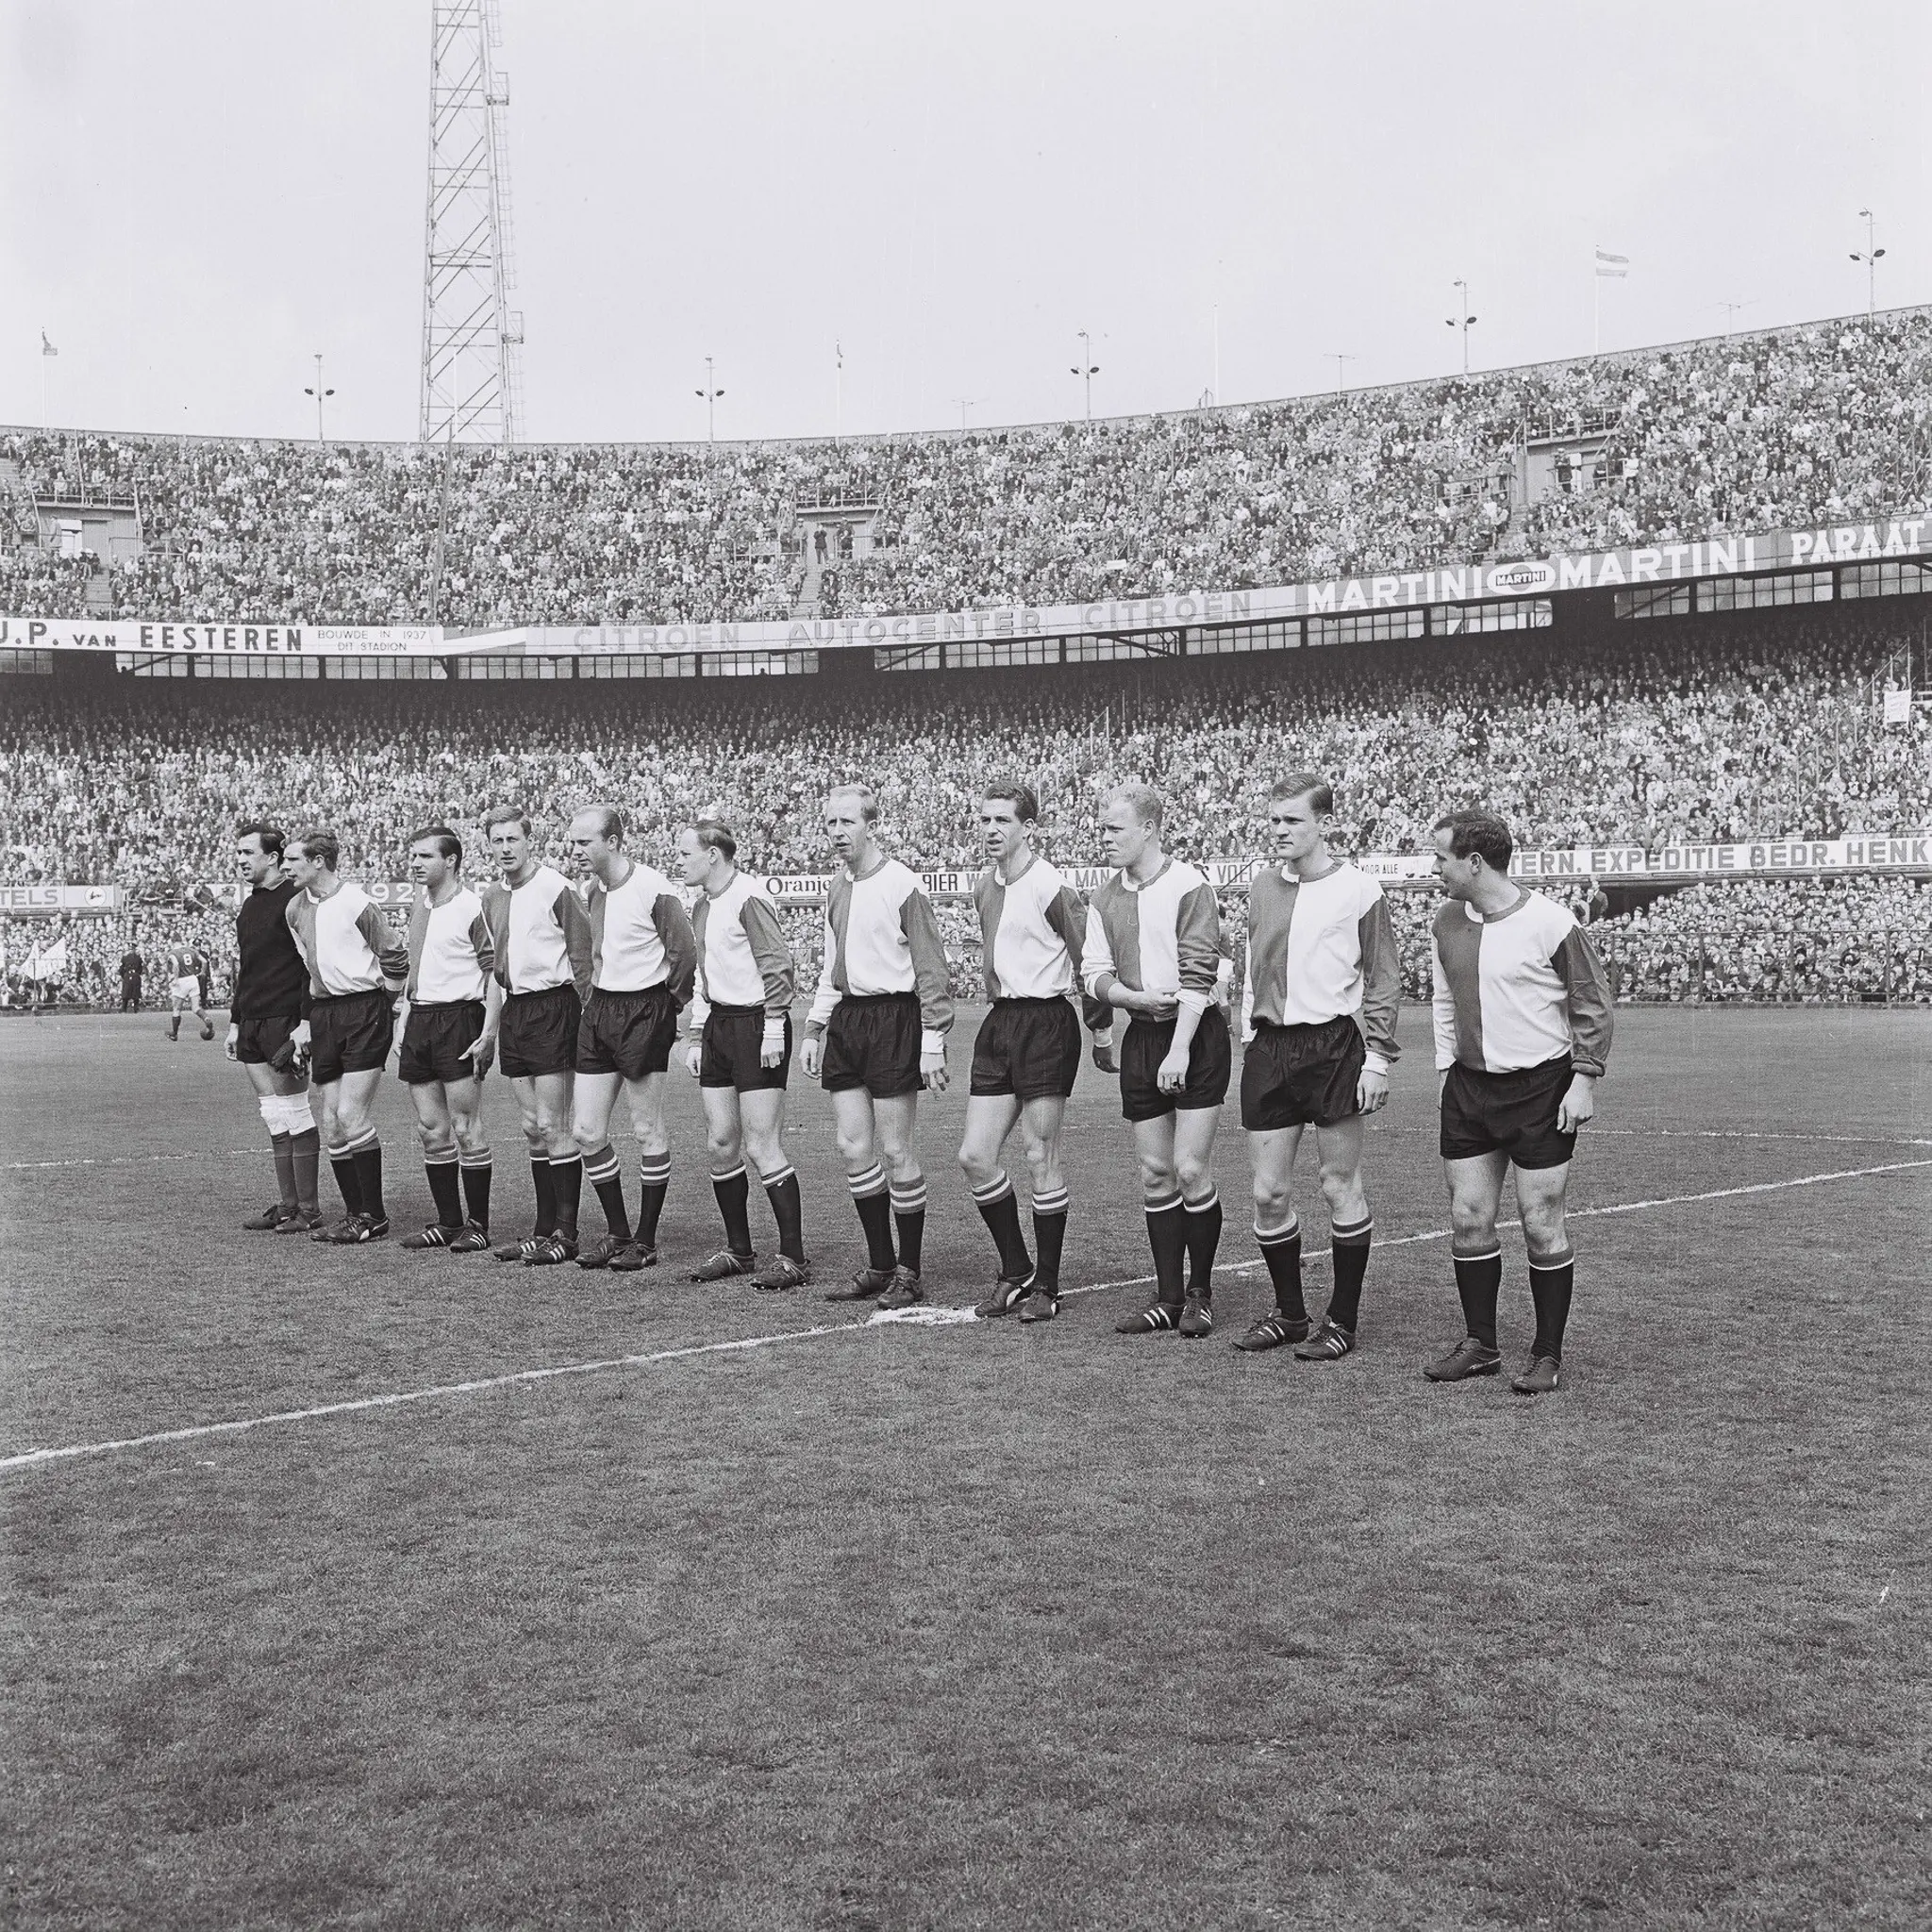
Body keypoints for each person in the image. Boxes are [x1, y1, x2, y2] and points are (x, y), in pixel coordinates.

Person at [1424, 808, 1614, 1395]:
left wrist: (1583, 1080)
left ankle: (1546, 1353)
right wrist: (1443, 1071)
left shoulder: (1550, 923)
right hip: (1469, 1087)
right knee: (1468, 1217)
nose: (1435, 869)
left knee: (1541, 1221)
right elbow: (1443, 1000)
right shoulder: (1446, 921)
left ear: (1474, 862)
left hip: (1539, 1090)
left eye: (1441, 858)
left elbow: (1592, 1003)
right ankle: (1481, 1343)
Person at [1233, 774, 1401, 1360]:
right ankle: (1290, 1314)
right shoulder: (1260, 886)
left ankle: (1343, 1320)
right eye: (1274, 820)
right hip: (1270, 1048)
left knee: (1337, 1184)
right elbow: (1254, 961)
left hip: (1334, 1048)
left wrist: (1377, 1057)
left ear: (1323, 824)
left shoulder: (1359, 889)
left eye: (1293, 821)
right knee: (1268, 1192)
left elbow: (1382, 978)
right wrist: (1246, 1026)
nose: (1280, 830)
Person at [799, 782, 953, 1310]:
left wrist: (933, 1038)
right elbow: (830, 965)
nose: (838, 833)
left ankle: (909, 1272)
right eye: (830, 824)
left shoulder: (903, 886)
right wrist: (815, 1027)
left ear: (871, 824)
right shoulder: (836, 889)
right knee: (853, 1148)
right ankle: (880, 1263)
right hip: (848, 1019)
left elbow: (932, 967)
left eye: (848, 823)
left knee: (895, 1150)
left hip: (895, 1020)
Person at [1083, 785, 1228, 1339]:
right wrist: (1132, 1001)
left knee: (1191, 1169)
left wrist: (1180, 1047)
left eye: (1115, 828)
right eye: (1103, 828)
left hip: (1194, 1035)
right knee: (1154, 1173)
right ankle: (1167, 1296)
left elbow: (1199, 971)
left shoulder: (1189, 883)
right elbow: (1093, 973)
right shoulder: (1102, 897)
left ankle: (1200, 1293)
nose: (1105, 837)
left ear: (1149, 827)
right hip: (1142, 1035)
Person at [958, 780, 1091, 1324]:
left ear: (1026, 828)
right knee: (974, 1155)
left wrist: (1101, 1030)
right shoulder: (983, 886)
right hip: (1000, 1022)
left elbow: (1088, 956)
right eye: (985, 820)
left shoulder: (1051, 884)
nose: (991, 830)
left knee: (1040, 1155)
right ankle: (1016, 1268)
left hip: (1047, 1022)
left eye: (1002, 821)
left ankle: (1049, 1286)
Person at [676, 818, 810, 1291]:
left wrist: (774, 1026)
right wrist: (696, 1034)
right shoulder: (701, 906)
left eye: (686, 853)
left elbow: (777, 964)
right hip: (718, 1025)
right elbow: (702, 974)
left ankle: (792, 1257)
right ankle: (739, 1251)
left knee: (761, 1144)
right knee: (720, 1142)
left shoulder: (748, 895)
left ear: (713, 854)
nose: (681, 861)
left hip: (757, 1024)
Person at [566, 804, 696, 1272]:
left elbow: (684, 953)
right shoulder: (591, 889)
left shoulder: (653, 888)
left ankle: (644, 1239)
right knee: (585, 1130)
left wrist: (669, 1007)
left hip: (645, 1009)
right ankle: (617, 1232)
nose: (575, 849)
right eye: (573, 841)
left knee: (646, 1128)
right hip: (600, 1010)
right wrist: (589, 998)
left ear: (614, 842)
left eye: (584, 842)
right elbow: (586, 954)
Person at [477, 806, 593, 1265]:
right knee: (532, 1128)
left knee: (555, 1125)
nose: (505, 848)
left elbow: (583, 957)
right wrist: (489, 1031)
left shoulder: (557, 887)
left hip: (555, 1007)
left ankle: (565, 1233)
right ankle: (543, 1230)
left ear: (529, 841)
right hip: (516, 1011)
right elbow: (495, 970)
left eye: (513, 839)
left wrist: (588, 1018)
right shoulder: (490, 897)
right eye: (497, 841)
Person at [284, 827, 409, 1242]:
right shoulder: (294, 909)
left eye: (293, 860)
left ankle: (373, 1215)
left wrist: (388, 1004)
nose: (285, 867)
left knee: (352, 1116)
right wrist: (307, 1020)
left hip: (363, 1009)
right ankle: (357, 1214)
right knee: (332, 1122)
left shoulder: (357, 902)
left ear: (318, 861)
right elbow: (309, 968)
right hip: (325, 1014)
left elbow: (393, 955)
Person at [394, 827, 497, 1254]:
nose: (415, 863)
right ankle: (448, 1222)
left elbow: (495, 974)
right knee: (430, 1128)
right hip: (420, 1019)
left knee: (465, 1126)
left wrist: (488, 1032)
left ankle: (478, 1224)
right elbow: (415, 966)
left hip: (460, 1018)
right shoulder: (420, 903)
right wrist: (403, 1015)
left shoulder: (473, 906)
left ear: (451, 860)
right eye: (413, 856)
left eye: (425, 856)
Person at [226, 822, 322, 1234]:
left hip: (285, 1020)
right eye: (239, 853)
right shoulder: (249, 905)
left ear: (273, 857)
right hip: (250, 1022)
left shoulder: (296, 901)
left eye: (249, 852)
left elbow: (309, 967)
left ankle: (310, 1210)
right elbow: (246, 970)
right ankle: (288, 1205)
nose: (241, 860)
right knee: (274, 1116)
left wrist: (304, 1023)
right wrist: (234, 1023)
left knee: (296, 1114)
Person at [164, 942, 214, 1041]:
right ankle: (207, 1019)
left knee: (177, 1009)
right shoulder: (191, 950)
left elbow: (176, 964)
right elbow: (204, 961)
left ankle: (174, 1033)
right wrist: (202, 973)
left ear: (173, 942)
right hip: (193, 979)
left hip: (182, 980)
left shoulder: (172, 953)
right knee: (196, 1007)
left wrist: (175, 978)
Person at [118, 944, 143, 1013]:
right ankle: (125, 1009)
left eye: (131, 949)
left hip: (133, 976)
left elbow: (140, 968)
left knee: (135, 993)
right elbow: (121, 969)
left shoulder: (138, 958)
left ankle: (135, 1008)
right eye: (130, 949)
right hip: (129, 975)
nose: (131, 951)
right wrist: (125, 975)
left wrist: (135, 974)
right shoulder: (125, 958)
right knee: (126, 993)